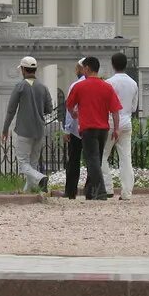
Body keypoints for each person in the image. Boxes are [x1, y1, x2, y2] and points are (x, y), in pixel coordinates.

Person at [65, 56, 121, 200]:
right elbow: (115, 110)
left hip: (88, 127)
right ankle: (92, 191)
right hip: (103, 128)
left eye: (83, 68)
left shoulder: (79, 86)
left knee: (92, 160)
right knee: (97, 158)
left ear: (87, 68)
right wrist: (116, 128)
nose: (82, 70)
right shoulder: (107, 86)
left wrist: (74, 114)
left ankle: (100, 191)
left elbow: (69, 105)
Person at [1, 56, 54, 192]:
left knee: (23, 164)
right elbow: (49, 109)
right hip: (39, 130)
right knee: (33, 163)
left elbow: (11, 110)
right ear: (34, 70)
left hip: (24, 130)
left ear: (23, 69)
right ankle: (27, 192)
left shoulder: (20, 86)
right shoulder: (43, 87)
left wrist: (5, 129)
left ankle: (41, 178)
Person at [100, 52, 138, 200]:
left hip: (111, 121)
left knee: (102, 155)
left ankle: (108, 187)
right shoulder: (133, 83)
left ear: (112, 64)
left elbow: (105, 105)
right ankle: (127, 192)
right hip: (127, 121)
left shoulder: (109, 83)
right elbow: (134, 108)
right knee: (126, 158)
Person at [63, 60, 86, 200]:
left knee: (73, 161)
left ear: (82, 69)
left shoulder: (76, 85)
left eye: (77, 68)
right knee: (93, 161)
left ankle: (71, 191)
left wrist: (67, 128)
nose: (75, 70)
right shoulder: (102, 83)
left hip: (76, 129)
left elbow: (69, 108)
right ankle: (92, 190)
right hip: (94, 129)